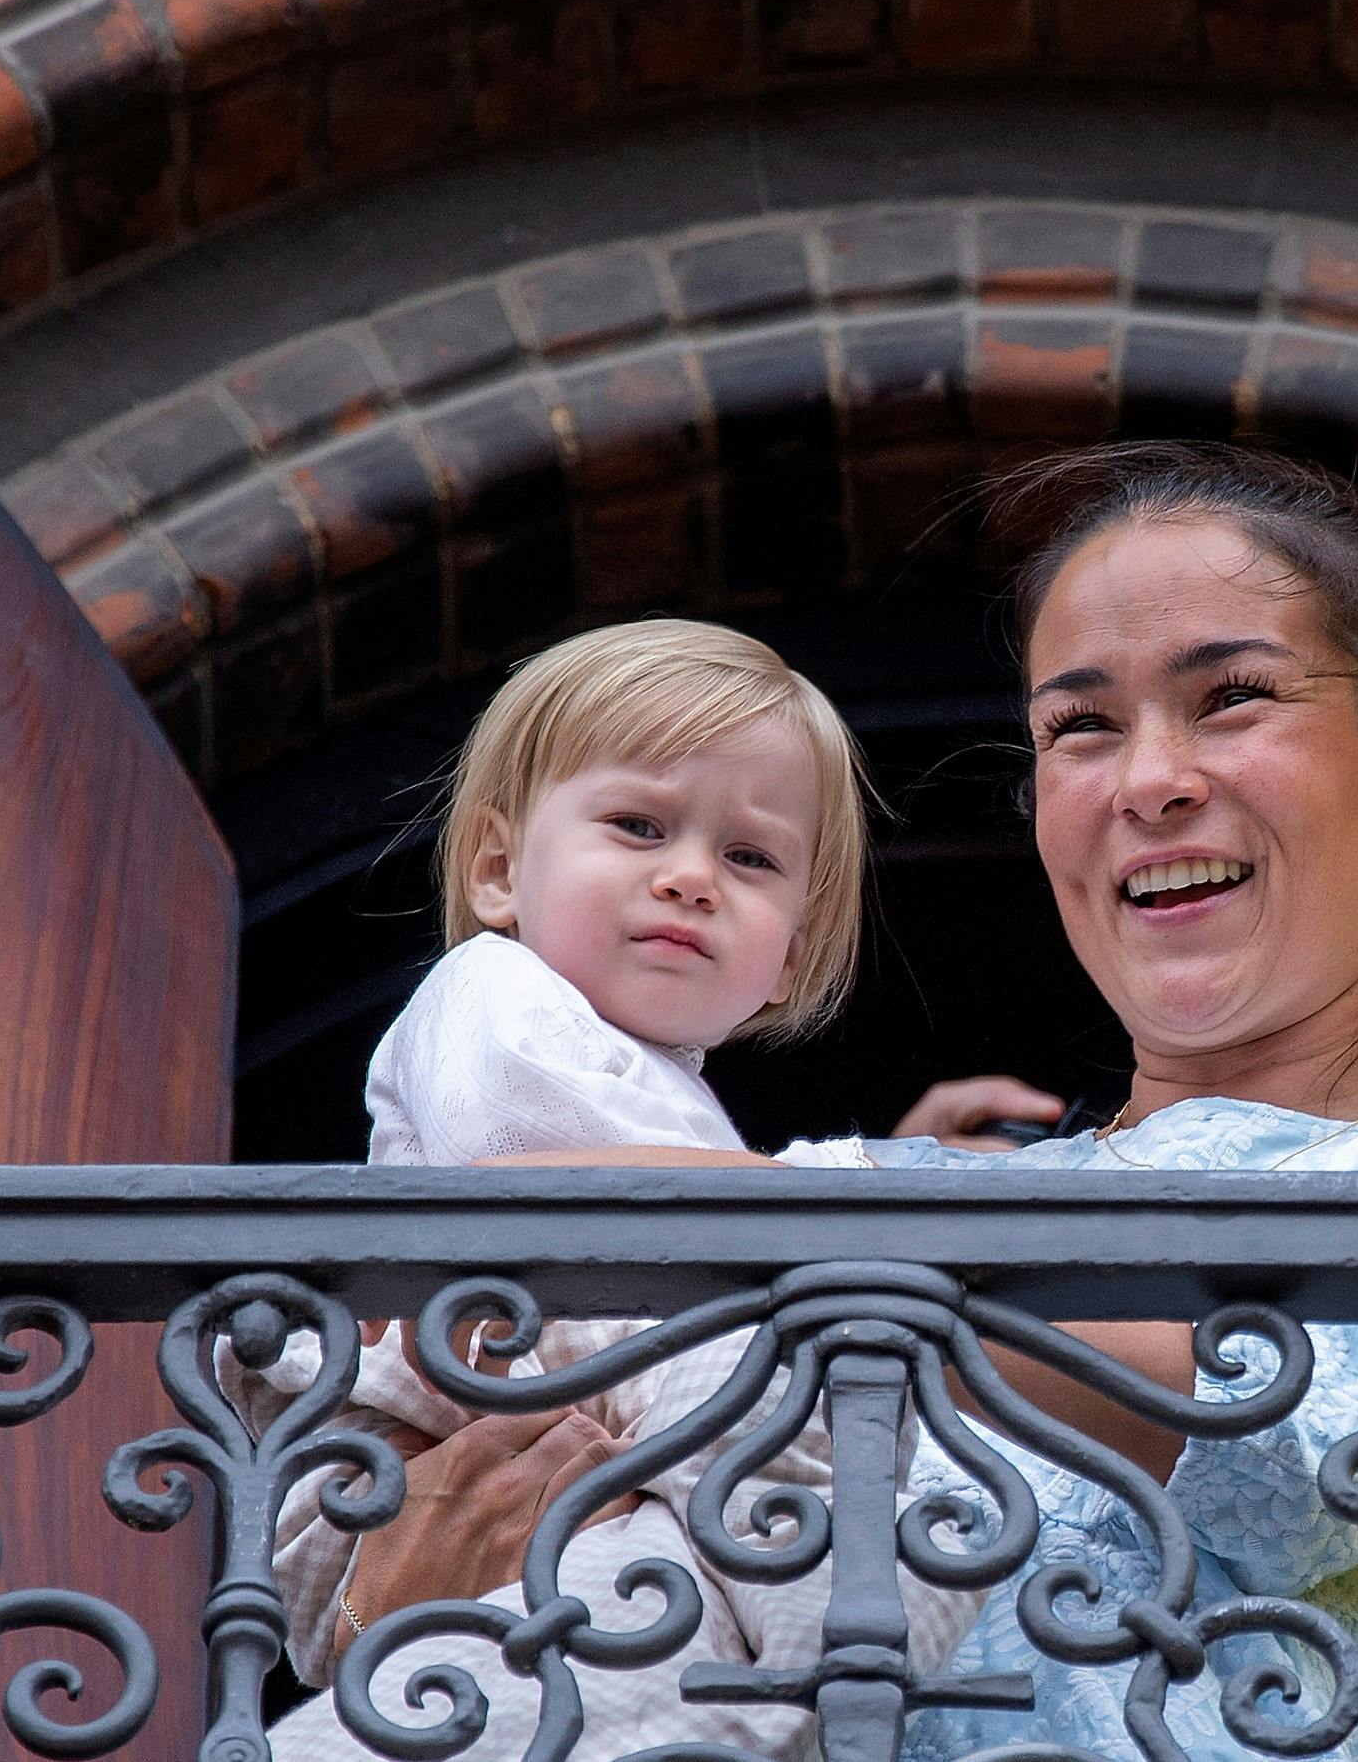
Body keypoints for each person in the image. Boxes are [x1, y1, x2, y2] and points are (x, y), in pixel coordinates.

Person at [290, 443, 1358, 1762]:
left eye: (1231, 697)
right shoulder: (893, 1187)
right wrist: (388, 1590)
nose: (1149, 779)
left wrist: (828, 1225)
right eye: (1081, 725)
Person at [242, 620, 994, 1753]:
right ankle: (841, 1644)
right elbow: (559, 1179)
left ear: (788, 952)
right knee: (803, 1379)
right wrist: (850, 1198)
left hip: (571, 1484)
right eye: (638, 826)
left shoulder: (669, 1093)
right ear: (499, 871)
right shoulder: (492, 992)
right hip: (402, 1480)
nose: (690, 876)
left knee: (618, 1668)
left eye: (750, 859)